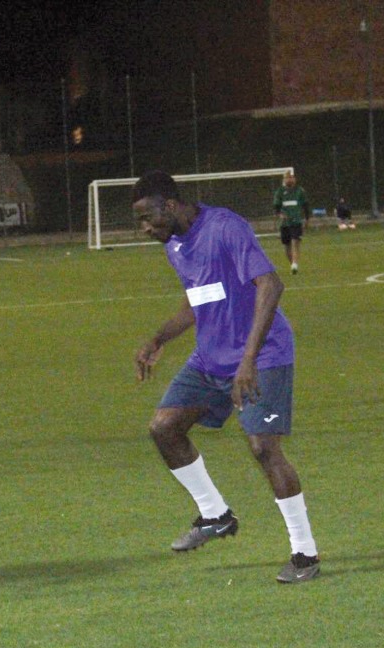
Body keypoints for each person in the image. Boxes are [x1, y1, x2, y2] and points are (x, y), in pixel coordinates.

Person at [132, 170, 320, 584]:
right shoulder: (175, 243)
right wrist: (158, 339)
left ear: (172, 204)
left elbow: (270, 285)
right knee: (165, 427)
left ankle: (305, 554)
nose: (145, 228)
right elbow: (198, 298)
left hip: (262, 353)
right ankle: (215, 514)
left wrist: (248, 360)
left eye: (149, 218)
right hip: (210, 358)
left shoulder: (225, 227)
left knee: (262, 448)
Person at [272, 171, 308, 274]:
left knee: (295, 241)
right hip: (285, 223)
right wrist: (280, 215)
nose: (290, 179)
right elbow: (276, 207)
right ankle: (292, 263)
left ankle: (295, 264)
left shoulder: (300, 191)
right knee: (287, 245)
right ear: (284, 180)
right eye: (287, 178)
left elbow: (305, 205)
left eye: (291, 177)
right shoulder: (280, 192)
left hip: (296, 221)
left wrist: (307, 218)